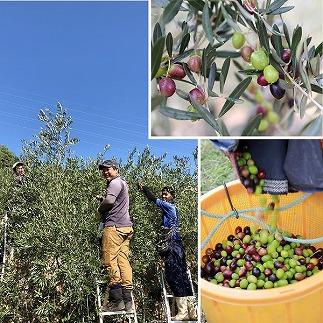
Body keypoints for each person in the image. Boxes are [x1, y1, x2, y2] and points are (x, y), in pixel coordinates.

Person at [138, 184, 197, 321]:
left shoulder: (168, 206)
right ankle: (192, 312)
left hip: (173, 246)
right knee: (183, 277)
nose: (164, 196)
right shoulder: (173, 208)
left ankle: (183, 312)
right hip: (178, 245)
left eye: (167, 194)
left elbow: (152, 199)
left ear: (172, 196)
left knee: (173, 276)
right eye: (163, 194)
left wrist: (144, 188)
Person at [97, 160, 134, 312]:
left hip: (114, 227)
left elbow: (110, 201)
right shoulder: (123, 183)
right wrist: (104, 200)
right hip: (126, 228)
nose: (105, 172)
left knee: (110, 261)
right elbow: (116, 202)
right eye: (103, 170)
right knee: (123, 262)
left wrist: (100, 209)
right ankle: (128, 302)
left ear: (116, 169)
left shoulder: (114, 183)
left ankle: (117, 301)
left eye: (108, 169)